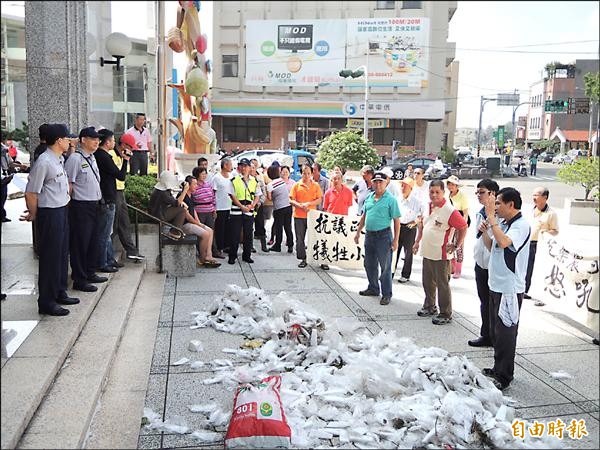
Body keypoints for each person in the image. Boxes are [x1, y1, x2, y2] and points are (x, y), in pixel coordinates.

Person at [21, 124, 79, 315]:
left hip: (61, 210)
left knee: (62, 254)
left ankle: (60, 291)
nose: (69, 141)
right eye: (66, 138)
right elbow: (31, 192)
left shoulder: (59, 159)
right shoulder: (44, 162)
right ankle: (47, 301)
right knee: (50, 258)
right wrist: (34, 214)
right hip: (49, 213)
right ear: (58, 140)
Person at [479, 187, 531, 390]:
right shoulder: (503, 223)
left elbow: (504, 241)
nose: (496, 207)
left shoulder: (521, 226)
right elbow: (493, 246)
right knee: (496, 332)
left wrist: (491, 218)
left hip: (509, 288)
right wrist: (485, 231)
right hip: (496, 284)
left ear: (511, 205)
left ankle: (504, 375)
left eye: (499, 203)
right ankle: (497, 367)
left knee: (506, 333)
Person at [412, 180, 468, 325]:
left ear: (443, 192)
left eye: (437, 192)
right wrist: (417, 242)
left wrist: (456, 245)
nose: (434, 195)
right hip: (427, 251)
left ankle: (445, 313)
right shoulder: (428, 207)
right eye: (432, 192)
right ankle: (430, 306)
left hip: (441, 254)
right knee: (427, 282)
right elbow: (423, 227)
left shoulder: (450, 210)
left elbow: (463, 226)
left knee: (442, 284)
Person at [65, 126, 107, 293]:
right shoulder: (75, 159)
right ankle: (79, 278)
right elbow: (69, 183)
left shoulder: (92, 157)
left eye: (98, 139)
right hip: (81, 206)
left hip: (94, 205)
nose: (97, 142)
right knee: (80, 243)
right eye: (93, 139)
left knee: (93, 241)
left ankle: (90, 272)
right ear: (83, 140)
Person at [354, 171, 401, 306]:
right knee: (369, 264)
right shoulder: (369, 197)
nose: (378, 184)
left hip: (383, 236)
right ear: (372, 183)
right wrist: (358, 232)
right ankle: (373, 288)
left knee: (385, 266)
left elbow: (396, 220)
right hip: (369, 235)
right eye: (375, 181)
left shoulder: (391, 199)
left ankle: (386, 294)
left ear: (386, 183)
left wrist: (396, 240)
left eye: (381, 182)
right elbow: (364, 215)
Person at [468, 178, 500, 348]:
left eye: (482, 192)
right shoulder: (480, 212)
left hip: (493, 266)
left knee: (494, 304)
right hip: (480, 263)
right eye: (477, 192)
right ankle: (486, 334)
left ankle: (496, 337)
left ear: (493, 194)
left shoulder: (500, 215)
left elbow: (497, 242)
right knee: (484, 301)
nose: (478, 195)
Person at [95, 128, 130, 273]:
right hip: (107, 198)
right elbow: (120, 175)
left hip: (106, 196)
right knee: (104, 233)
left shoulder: (100, 155)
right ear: (107, 142)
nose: (115, 143)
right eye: (113, 140)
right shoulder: (103, 156)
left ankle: (109, 259)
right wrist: (126, 161)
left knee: (107, 232)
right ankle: (102, 262)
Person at [111, 134, 145, 261]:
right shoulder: (112, 155)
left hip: (120, 191)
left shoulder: (120, 156)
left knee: (124, 222)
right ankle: (107, 256)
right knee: (113, 225)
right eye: (131, 147)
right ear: (124, 145)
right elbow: (119, 175)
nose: (132, 151)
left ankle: (131, 250)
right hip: (114, 192)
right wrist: (125, 160)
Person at [524, 187, 559, 305]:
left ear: (545, 197)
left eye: (537, 195)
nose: (534, 197)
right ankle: (522, 289)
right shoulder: (529, 210)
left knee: (533, 268)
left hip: (538, 245)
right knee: (524, 267)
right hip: (525, 242)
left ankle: (530, 291)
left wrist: (544, 233)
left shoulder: (551, 214)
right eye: (533, 195)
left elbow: (555, 230)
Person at [178, 175, 220, 268]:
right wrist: (198, 224)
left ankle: (209, 255)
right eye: (194, 184)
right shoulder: (182, 196)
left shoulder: (191, 195)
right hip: (185, 224)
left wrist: (199, 222)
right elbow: (187, 216)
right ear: (188, 185)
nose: (196, 186)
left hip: (192, 222)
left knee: (210, 231)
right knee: (205, 234)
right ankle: (202, 258)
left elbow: (194, 211)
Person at [228, 158, 261, 264]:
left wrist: (253, 205)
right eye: (241, 166)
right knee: (235, 234)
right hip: (236, 210)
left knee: (248, 234)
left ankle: (247, 256)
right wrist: (241, 206)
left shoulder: (254, 181)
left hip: (249, 210)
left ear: (249, 167)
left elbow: (257, 195)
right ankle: (232, 256)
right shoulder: (234, 180)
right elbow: (232, 195)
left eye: (245, 166)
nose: (243, 168)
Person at [289, 163, 323, 268]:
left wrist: (309, 204)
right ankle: (303, 258)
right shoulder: (296, 185)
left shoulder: (316, 185)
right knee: (300, 239)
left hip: (312, 216)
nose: (306, 175)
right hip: (299, 216)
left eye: (308, 173)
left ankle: (317, 258)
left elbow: (319, 199)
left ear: (312, 174)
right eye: (304, 173)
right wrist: (299, 205)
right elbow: (290, 199)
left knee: (315, 238)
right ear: (301, 174)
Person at [393, 177, 423, 283]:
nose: (402, 188)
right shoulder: (397, 199)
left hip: (410, 228)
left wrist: (414, 222)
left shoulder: (417, 201)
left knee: (408, 252)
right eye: (401, 185)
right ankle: (391, 271)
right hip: (398, 226)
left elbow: (421, 216)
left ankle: (405, 275)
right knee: (394, 250)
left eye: (405, 186)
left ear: (410, 188)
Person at [192, 167, 223, 258]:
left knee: (211, 231)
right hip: (199, 211)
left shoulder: (208, 184)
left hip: (209, 210)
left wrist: (214, 209)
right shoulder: (194, 185)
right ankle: (202, 251)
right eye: (202, 174)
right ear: (197, 175)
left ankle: (213, 251)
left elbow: (213, 197)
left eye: (205, 174)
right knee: (201, 232)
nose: (204, 176)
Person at [148, 170, 187, 236]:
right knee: (181, 210)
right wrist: (185, 190)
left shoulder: (159, 189)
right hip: (158, 216)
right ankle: (174, 232)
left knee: (180, 208)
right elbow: (177, 203)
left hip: (155, 213)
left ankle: (175, 229)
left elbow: (172, 200)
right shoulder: (163, 193)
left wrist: (181, 202)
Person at [446, 175, 469, 279]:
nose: (450, 186)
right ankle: (452, 267)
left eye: (453, 184)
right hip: (449, 222)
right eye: (449, 184)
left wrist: (462, 226)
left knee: (459, 245)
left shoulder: (462, 196)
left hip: (459, 222)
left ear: (457, 186)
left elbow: (465, 213)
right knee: (449, 243)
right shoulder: (448, 195)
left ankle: (459, 269)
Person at [267, 164, 294, 253]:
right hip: (288, 206)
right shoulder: (281, 181)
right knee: (288, 227)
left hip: (279, 208)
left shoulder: (270, 185)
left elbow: (270, 198)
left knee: (279, 227)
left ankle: (277, 246)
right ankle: (290, 246)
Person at [212, 157, 233, 254]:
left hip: (230, 206)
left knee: (229, 228)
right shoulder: (216, 177)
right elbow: (213, 193)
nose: (231, 167)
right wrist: (214, 208)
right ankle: (219, 246)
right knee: (220, 228)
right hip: (220, 207)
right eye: (230, 165)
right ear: (225, 165)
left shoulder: (231, 176)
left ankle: (227, 246)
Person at [250, 158, 269, 253]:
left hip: (259, 206)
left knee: (261, 225)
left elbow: (263, 192)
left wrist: (259, 202)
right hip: (249, 206)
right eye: (251, 167)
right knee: (249, 226)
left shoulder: (260, 178)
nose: (252, 170)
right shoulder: (245, 179)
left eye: (254, 167)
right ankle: (250, 245)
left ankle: (263, 245)